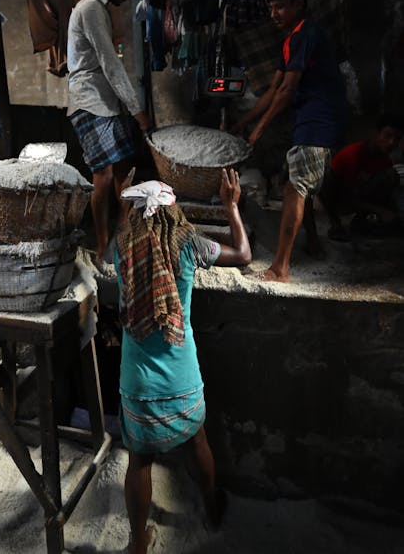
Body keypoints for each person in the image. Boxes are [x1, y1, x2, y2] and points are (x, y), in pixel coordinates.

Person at [113, 167, 251, 554]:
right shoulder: (190, 244)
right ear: (175, 211)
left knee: (139, 461)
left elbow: (126, 228)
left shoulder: (121, 246)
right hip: (182, 377)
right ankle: (211, 511)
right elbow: (243, 253)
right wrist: (231, 206)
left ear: (136, 212)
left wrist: (122, 202)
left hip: (139, 383)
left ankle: (139, 544)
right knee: (197, 442)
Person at [230, 0, 347, 282]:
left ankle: (279, 269)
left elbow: (287, 93)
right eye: (271, 8)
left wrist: (259, 131)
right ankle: (313, 241)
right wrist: (244, 121)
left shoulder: (306, 35)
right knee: (298, 184)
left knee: (295, 189)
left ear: (300, 4)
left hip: (319, 119)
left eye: (280, 7)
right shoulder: (290, 40)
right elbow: (273, 89)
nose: (274, 14)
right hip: (310, 119)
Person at [67, 0, 151, 268]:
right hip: (90, 103)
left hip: (105, 102)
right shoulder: (89, 9)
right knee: (102, 175)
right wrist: (137, 109)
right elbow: (109, 62)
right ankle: (102, 246)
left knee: (121, 171)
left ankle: (125, 232)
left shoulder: (98, 9)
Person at [322, 113, 403, 240]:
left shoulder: (385, 160)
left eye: (397, 138)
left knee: (392, 176)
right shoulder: (354, 154)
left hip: (357, 196)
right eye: (387, 136)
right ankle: (335, 224)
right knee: (327, 177)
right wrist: (380, 210)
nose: (391, 142)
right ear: (376, 134)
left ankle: (361, 221)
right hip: (338, 200)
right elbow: (347, 196)